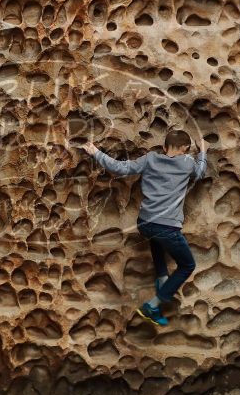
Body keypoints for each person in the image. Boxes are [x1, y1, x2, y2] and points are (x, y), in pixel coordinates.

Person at [80, 130, 207, 326]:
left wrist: (95, 152)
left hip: (145, 223)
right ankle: (153, 305)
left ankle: (163, 280)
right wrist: (203, 152)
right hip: (167, 226)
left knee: (157, 240)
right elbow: (200, 173)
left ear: (164, 148)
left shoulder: (150, 159)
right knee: (187, 265)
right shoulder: (188, 162)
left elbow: (121, 168)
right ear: (185, 149)